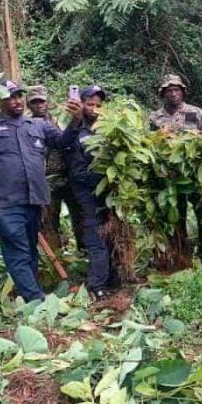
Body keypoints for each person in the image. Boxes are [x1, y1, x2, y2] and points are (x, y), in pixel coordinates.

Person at [0, 79, 83, 302]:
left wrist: (76, 120)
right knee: (17, 249)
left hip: (34, 199)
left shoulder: (37, 126)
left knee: (30, 249)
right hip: (3, 201)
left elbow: (63, 142)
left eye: (18, 96)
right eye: (10, 97)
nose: (16, 101)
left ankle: (31, 292)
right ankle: (35, 300)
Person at [148, 74, 202, 270]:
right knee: (175, 219)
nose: (174, 93)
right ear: (163, 93)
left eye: (177, 90)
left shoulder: (196, 113)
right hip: (169, 179)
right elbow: (151, 145)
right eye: (170, 90)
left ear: (183, 92)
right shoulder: (155, 117)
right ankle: (180, 259)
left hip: (195, 176)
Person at [63, 85, 116, 300]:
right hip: (85, 191)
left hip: (108, 190)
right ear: (82, 104)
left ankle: (113, 277)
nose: (94, 109)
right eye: (90, 104)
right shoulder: (75, 127)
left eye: (98, 105)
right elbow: (64, 146)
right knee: (95, 238)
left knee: (112, 234)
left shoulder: (107, 128)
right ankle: (96, 285)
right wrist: (74, 121)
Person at [27, 85, 84, 251]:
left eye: (42, 101)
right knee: (49, 221)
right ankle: (55, 258)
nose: (39, 105)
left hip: (69, 176)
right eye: (34, 102)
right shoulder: (27, 126)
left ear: (48, 102)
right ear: (29, 105)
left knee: (79, 217)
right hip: (47, 180)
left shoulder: (61, 120)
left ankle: (83, 252)